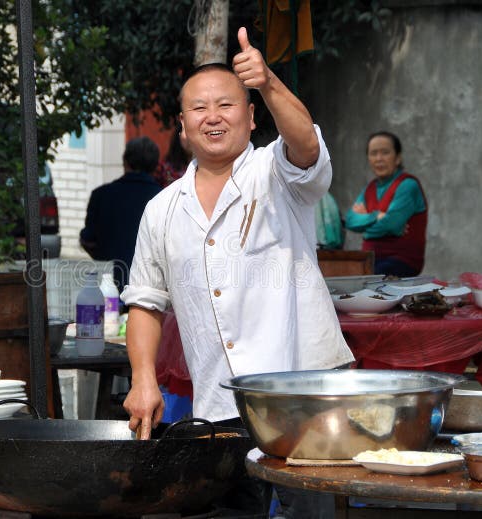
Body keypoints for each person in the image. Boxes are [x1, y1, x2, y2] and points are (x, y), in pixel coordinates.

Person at [121, 25, 353, 440]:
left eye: (226, 104)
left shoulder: (277, 172)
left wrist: (268, 82)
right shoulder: (161, 209)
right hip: (220, 404)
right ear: (183, 125)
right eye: (199, 108)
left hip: (306, 395)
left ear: (250, 117)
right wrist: (143, 380)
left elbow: (307, 146)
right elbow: (145, 301)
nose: (213, 116)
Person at [80, 137, 162, 292]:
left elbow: (87, 240)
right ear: (156, 165)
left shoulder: (101, 195)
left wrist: (107, 260)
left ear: (125, 161)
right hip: (151, 288)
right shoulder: (164, 198)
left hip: (108, 284)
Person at [345, 131, 428, 277]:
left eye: (385, 152)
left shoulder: (407, 185)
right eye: (373, 153)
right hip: (370, 260)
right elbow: (350, 221)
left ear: (398, 158)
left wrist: (366, 231)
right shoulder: (369, 189)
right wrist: (376, 216)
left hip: (400, 261)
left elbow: (391, 224)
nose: (379, 158)